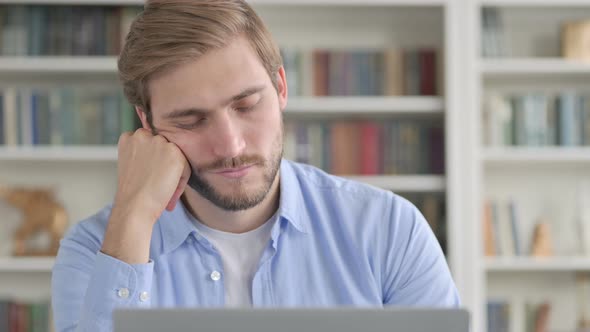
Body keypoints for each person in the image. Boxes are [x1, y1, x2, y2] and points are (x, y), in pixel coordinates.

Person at [51, 1, 460, 331]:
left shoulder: (390, 230)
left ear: (281, 86)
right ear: (148, 124)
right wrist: (135, 215)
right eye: (191, 120)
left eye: (246, 105)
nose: (231, 145)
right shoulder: (93, 250)